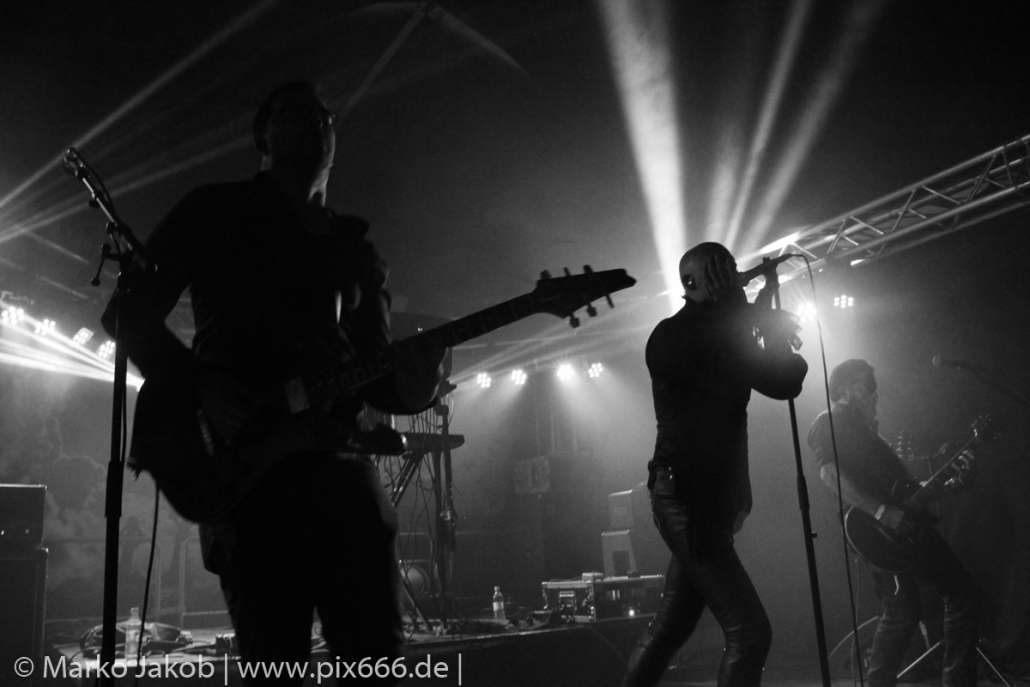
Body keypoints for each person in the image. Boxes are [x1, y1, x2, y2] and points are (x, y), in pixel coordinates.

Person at [102, 80, 445, 684]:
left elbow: (377, 377)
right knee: (275, 666)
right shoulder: (213, 211)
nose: (312, 121)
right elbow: (127, 314)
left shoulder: (355, 248)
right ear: (262, 136)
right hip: (253, 482)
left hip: (343, 476)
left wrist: (420, 383)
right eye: (293, 112)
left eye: (322, 115)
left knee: (376, 664)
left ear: (334, 138)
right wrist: (201, 383)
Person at [623, 242, 809, 687]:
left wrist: (770, 330)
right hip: (684, 498)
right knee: (750, 632)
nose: (733, 279)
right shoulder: (672, 335)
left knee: (671, 627)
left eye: (732, 269)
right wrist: (747, 316)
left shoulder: (729, 330)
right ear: (691, 282)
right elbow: (722, 358)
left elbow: (784, 382)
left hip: (712, 501)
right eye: (719, 272)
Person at [807, 359, 979, 687]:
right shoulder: (828, 422)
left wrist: (956, 482)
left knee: (961, 592)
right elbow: (829, 474)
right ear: (843, 390)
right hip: (874, 531)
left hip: (906, 526)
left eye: (875, 388)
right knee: (902, 612)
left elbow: (911, 492)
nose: (874, 393)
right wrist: (880, 512)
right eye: (866, 386)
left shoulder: (874, 438)